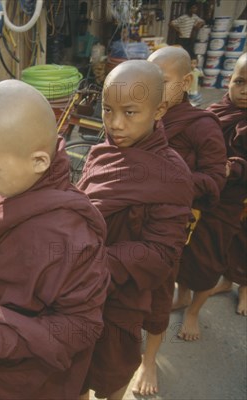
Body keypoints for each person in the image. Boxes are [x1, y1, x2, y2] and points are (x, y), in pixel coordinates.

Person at [0, 80, 110, 399]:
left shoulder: (73, 237)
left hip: (28, 376)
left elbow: (79, 329)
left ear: (39, 161)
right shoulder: (21, 188)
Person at [77, 60, 194, 400]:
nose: (115, 124)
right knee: (76, 366)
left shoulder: (171, 173)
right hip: (81, 289)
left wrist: (93, 261)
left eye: (130, 113)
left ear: (159, 110)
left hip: (124, 292)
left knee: (112, 370)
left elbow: (161, 252)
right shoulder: (101, 154)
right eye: (107, 110)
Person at [130, 46, 227, 395]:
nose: (154, 89)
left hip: (167, 227)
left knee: (158, 296)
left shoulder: (201, 126)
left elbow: (215, 180)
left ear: (186, 82)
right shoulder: (143, 115)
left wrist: (170, 178)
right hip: (131, 219)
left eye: (164, 82)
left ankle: (149, 360)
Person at [206, 53, 247, 316]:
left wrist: (233, 167)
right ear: (229, 82)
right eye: (240, 82)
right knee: (217, 241)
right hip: (218, 191)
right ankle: (223, 282)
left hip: (242, 193)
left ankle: (244, 288)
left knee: (243, 242)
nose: (245, 91)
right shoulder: (215, 113)